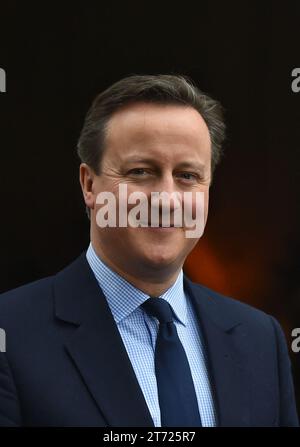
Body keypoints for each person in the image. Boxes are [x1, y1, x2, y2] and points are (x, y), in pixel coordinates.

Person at [0, 74, 298, 427]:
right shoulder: (12, 334)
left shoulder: (260, 339)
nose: (167, 200)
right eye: (141, 171)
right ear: (89, 184)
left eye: (187, 175)